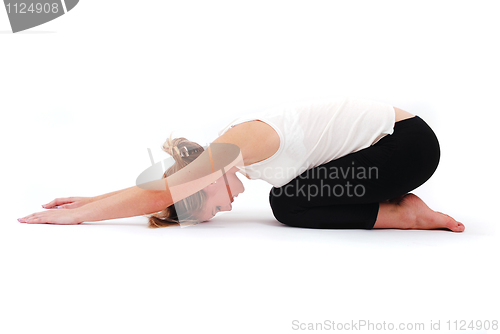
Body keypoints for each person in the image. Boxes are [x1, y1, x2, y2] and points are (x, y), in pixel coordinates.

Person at [18, 96, 464, 232]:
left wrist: (79, 216)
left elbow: (160, 191)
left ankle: (404, 213)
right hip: (390, 154)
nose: (225, 210)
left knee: (288, 205)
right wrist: (95, 197)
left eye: (209, 208)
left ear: (200, 182)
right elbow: (162, 188)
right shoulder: (238, 158)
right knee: (288, 199)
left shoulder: (236, 145)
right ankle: (398, 205)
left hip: (408, 146)